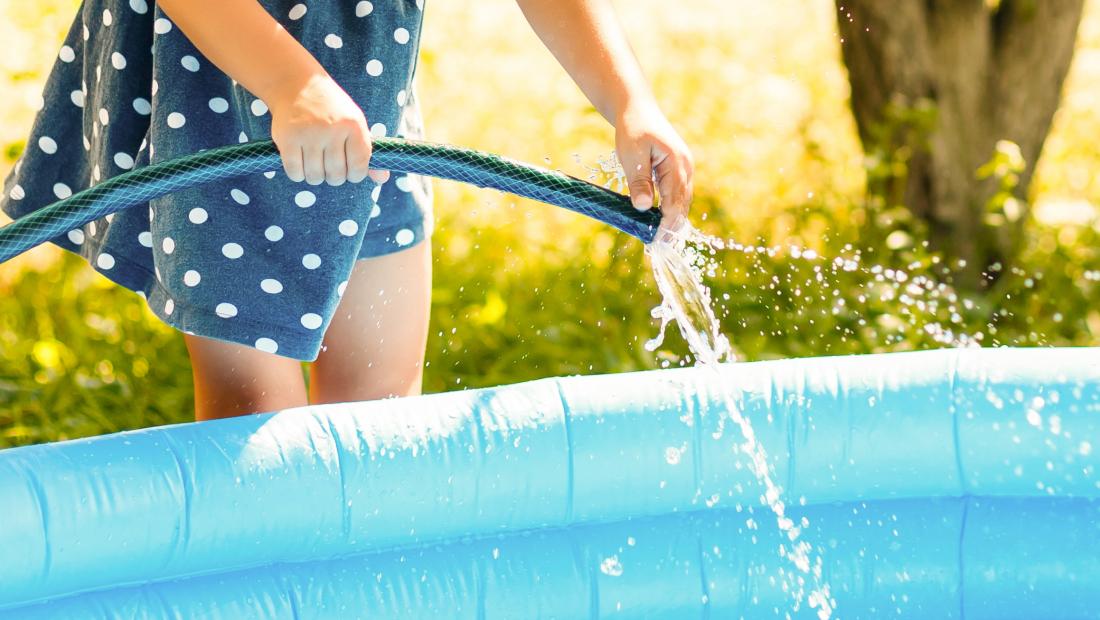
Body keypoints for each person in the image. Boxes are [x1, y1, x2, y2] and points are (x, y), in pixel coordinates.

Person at [0, 0, 694, 421]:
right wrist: (288, 82)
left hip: (362, 88)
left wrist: (629, 101)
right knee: (254, 408)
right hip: (224, 74)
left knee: (382, 397)